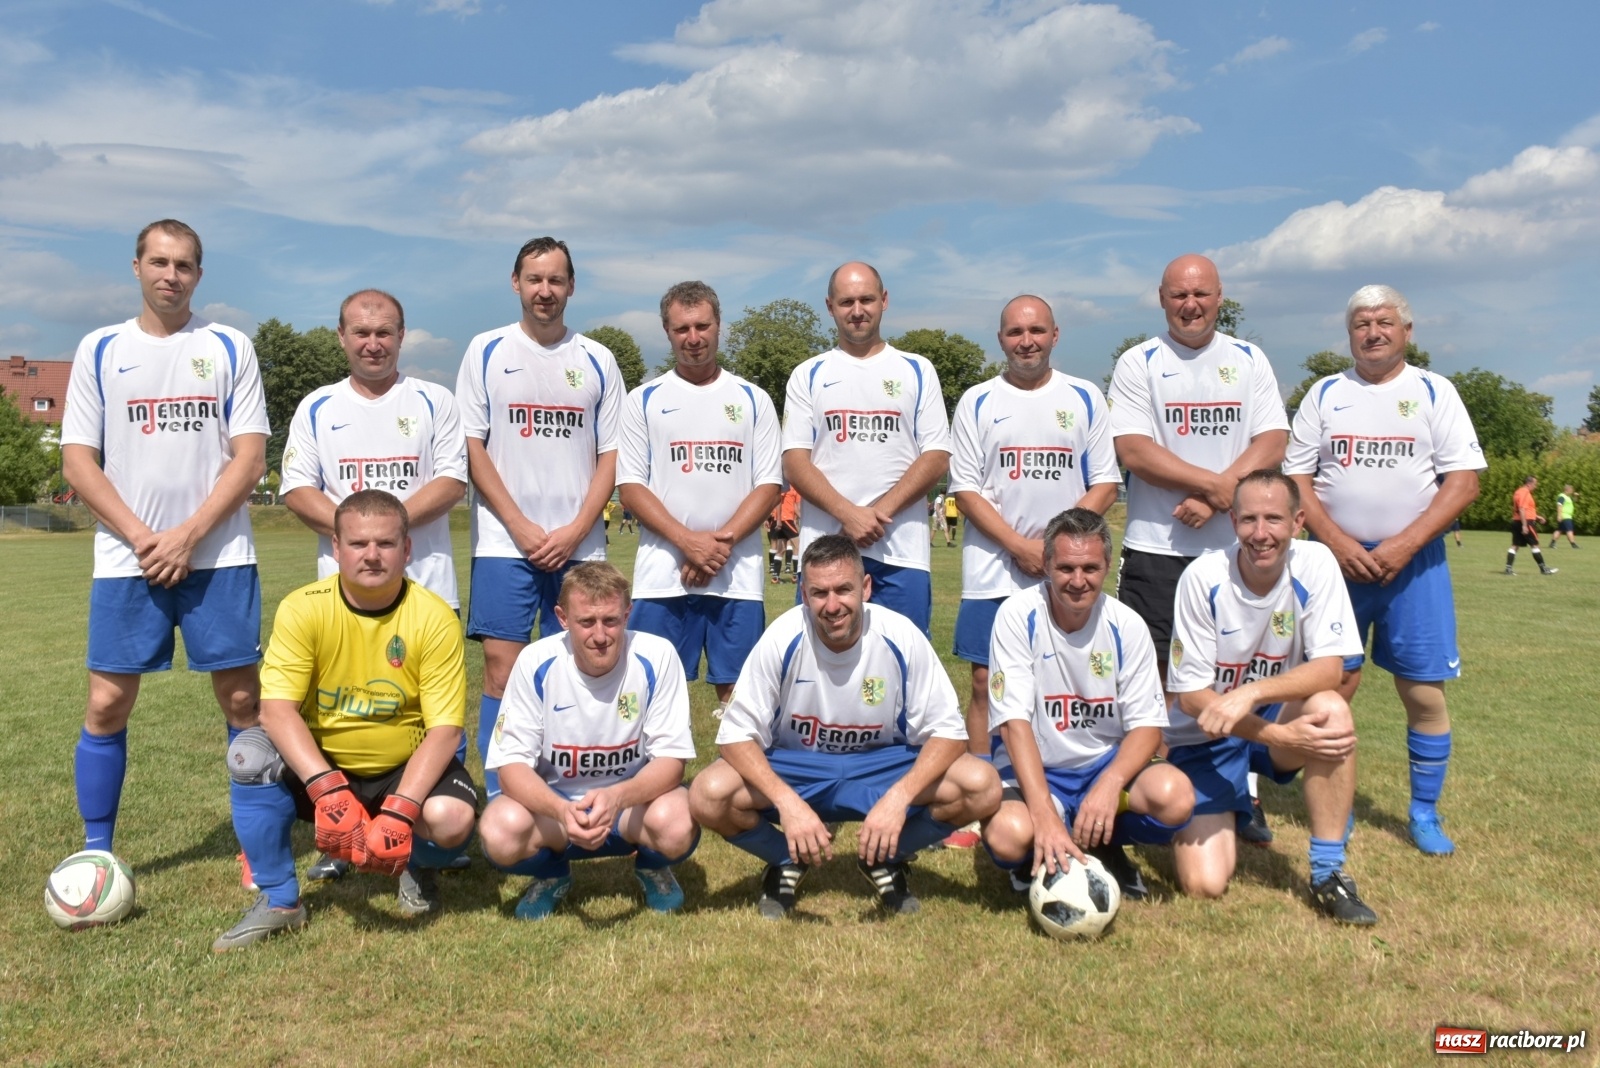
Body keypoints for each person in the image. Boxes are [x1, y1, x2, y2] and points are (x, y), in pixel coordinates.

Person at [60, 219, 270, 865]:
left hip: (219, 556)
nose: (169, 276)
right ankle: (99, 851)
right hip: (129, 558)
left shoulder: (230, 346)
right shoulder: (100, 348)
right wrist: (145, 537)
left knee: (242, 700)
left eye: (182, 265)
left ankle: (256, 844)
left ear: (198, 275)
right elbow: (77, 462)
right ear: (136, 267)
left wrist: (188, 535)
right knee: (106, 702)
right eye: (158, 262)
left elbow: (251, 456)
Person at [689, 535, 1000, 918]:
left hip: (880, 766)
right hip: (800, 768)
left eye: (844, 590)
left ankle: (885, 856)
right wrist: (788, 804)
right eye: (819, 593)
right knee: (708, 794)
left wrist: (898, 799)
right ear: (803, 594)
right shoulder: (783, 637)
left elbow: (949, 733)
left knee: (982, 785)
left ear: (866, 588)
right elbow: (735, 736)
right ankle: (788, 859)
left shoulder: (899, 635)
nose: (833, 605)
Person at [219, 490, 477, 950]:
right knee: (248, 755)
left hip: (401, 766)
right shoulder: (304, 607)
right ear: (336, 548)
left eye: (385, 544)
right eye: (358, 544)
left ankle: (414, 864)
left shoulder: (434, 617)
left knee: (453, 818)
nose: (372, 556)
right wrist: (327, 788)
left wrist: (401, 809)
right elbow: (275, 710)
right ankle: (280, 901)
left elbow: (446, 730)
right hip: (325, 762)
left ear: (407, 549)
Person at [1285, 285, 1486, 856]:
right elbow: (1297, 479)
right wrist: (1337, 541)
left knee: (1423, 691)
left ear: (1406, 331)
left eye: (1384, 322)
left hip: (1415, 564)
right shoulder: (1325, 394)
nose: (1373, 332)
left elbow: (1463, 482)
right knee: (1332, 688)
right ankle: (1335, 807)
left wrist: (1403, 543)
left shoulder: (1433, 391)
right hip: (1336, 565)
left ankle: (1424, 813)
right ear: (1349, 335)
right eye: (1361, 324)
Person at [279, 290, 469, 882]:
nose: (373, 342)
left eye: (384, 331)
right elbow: (296, 489)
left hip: (426, 586)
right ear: (341, 337)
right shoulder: (316, 407)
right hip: (341, 596)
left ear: (402, 336)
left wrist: (383, 530)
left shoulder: (435, 401)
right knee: (341, 720)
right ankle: (343, 836)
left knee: (429, 722)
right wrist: (361, 535)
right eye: (361, 332)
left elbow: (452, 480)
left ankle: (421, 853)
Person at [1108, 253, 1288, 845]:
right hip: (1157, 548)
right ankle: (1158, 795)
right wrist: (1219, 489)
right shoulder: (1140, 361)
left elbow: (1274, 438)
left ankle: (1245, 796)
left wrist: (1217, 503)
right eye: (1179, 295)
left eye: (1202, 294)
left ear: (1219, 297)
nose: (1191, 305)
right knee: (1156, 679)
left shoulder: (1248, 359)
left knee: (1238, 675)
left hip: (1237, 550)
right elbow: (1134, 451)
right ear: (1162, 299)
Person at [942, 295, 1121, 849]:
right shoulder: (976, 401)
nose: (1027, 341)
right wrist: (1019, 544)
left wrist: (1055, 551)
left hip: (1064, 570)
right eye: (1016, 332)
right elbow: (965, 489)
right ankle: (983, 794)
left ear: (1055, 335)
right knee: (982, 682)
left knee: (1058, 678)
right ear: (1001, 339)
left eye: (1037, 331)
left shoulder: (1085, 397)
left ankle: (1049, 782)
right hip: (994, 566)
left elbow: (1106, 482)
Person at [1162, 471, 1375, 923]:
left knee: (1331, 710)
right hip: (1205, 739)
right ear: (1233, 520)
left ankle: (1328, 872)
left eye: (1274, 519)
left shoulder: (1316, 563)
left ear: (1298, 522)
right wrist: (1277, 733)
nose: (1261, 534)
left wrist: (1252, 693)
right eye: (1249, 520)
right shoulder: (1203, 578)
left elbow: (1330, 669)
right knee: (1205, 885)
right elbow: (1191, 699)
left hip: (1262, 714)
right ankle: (1231, 802)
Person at [455, 237, 623, 799]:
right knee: (502, 674)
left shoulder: (597, 358)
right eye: (534, 279)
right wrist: (521, 526)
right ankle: (506, 798)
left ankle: (576, 789)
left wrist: (576, 529)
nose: (544, 290)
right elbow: (472, 448)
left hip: (580, 546)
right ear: (515, 283)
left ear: (571, 286)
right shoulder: (485, 350)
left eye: (555, 280)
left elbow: (612, 455)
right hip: (506, 544)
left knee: (580, 670)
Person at [981, 509, 1193, 900]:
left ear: (1108, 566)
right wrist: (1043, 811)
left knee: (1175, 796)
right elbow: (1013, 723)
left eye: (1090, 568)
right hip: (1038, 766)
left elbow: (1148, 726)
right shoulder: (1017, 615)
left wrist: (1110, 786)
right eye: (1066, 568)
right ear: (1046, 565)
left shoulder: (1127, 625)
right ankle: (1039, 848)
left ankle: (1102, 839)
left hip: (1101, 767)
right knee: (1008, 836)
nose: (1078, 581)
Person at [480, 563, 698, 919]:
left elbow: (672, 762)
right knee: (499, 830)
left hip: (629, 807)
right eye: (586, 622)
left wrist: (616, 798)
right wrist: (562, 812)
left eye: (611, 620)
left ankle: (652, 867)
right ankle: (551, 875)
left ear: (628, 613)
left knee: (678, 820)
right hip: (558, 813)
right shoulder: (536, 662)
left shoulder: (657, 656)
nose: (600, 635)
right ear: (562, 617)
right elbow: (511, 767)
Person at [617, 281, 782, 710]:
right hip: (662, 576)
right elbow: (631, 486)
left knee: (742, 700)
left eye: (702, 326)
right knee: (650, 696)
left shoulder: (753, 399)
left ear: (719, 325)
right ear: (667, 332)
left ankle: (738, 781)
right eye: (682, 329)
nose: (694, 338)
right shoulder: (643, 400)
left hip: (737, 577)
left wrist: (718, 544)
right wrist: (688, 543)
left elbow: (768, 484)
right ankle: (657, 781)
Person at [781, 262, 951, 636]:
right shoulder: (808, 374)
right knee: (819, 672)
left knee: (902, 669)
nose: (857, 311)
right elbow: (795, 461)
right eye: (846, 302)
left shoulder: (917, 370)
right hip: (826, 556)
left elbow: (936, 455)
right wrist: (846, 514)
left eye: (866, 299)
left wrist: (873, 516)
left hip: (901, 554)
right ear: (830, 306)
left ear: (884, 300)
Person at [1507, 476, 1557, 575]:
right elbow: (1522, 509)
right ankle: (1543, 569)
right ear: (1529, 484)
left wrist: (1537, 517)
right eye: (1535, 484)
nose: (1536, 486)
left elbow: (1523, 509)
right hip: (1526, 522)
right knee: (1535, 545)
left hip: (1516, 521)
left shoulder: (1518, 492)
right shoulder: (1525, 493)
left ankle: (1508, 569)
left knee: (1515, 545)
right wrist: (1524, 525)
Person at [766, 484, 801, 584]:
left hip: (787, 519)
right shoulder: (785, 486)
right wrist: (778, 520)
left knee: (781, 549)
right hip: (785, 519)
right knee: (798, 545)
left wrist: (803, 518)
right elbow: (778, 502)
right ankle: (795, 576)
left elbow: (795, 507)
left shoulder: (796, 489)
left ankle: (775, 577)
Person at [1549, 484, 1579, 548]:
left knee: (1559, 530)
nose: (1572, 491)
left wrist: (1575, 496)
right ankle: (1573, 544)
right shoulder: (1562, 496)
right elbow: (1559, 505)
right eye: (1571, 490)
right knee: (1569, 530)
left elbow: (1574, 501)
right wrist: (1559, 515)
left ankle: (1552, 543)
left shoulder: (1567, 497)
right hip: (1565, 517)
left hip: (1566, 516)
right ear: (1567, 490)